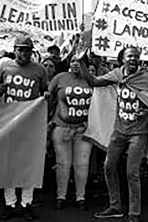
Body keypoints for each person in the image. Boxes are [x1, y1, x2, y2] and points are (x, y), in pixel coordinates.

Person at [79, 46, 148, 222]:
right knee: (108, 167)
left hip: (138, 133)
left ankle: (134, 212)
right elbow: (93, 82)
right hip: (119, 131)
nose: (134, 59)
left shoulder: (146, 77)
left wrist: (147, 112)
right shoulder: (116, 74)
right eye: (130, 56)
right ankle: (115, 205)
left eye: (137, 56)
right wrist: (81, 62)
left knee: (132, 172)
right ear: (122, 58)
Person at [0, 35, 48, 221]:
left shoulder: (40, 70)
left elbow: (44, 90)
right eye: (20, 49)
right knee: (9, 165)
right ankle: (10, 203)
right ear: (14, 49)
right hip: (8, 124)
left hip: (30, 125)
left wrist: (46, 95)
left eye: (27, 49)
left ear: (31, 51)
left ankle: (26, 203)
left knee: (28, 165)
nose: (24, 53)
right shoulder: (5, 67)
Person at [48, 55, 93, 211]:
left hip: (84, 129)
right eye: (73, 60)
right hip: (61, 128)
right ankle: (61, 196)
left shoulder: (92, 80)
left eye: (79, 61)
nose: (75, 64)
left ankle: (81, 197)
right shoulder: (59, 78)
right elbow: (47, 97)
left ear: (85, 65)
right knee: (62, 164)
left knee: (82, 165)